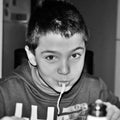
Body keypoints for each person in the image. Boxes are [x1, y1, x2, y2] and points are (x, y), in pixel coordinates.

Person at [0, 0, 120, 120]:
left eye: (75, 55)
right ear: (32, 56)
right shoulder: (5, 93)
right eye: (51, 57)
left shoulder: (96, 91)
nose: (65, 70)